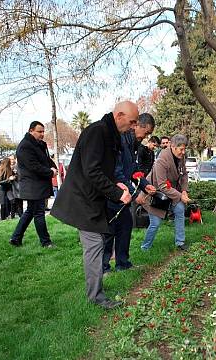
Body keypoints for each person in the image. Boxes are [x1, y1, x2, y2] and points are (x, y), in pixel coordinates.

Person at [50, 101, 138, 309]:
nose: (134, 126)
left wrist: (114, 182)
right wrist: (118, 194)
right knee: (95, 245)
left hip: (92, 199)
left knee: (97, 242)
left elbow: (100, 168)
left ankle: (96, 293)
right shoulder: (97, 132)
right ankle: (96, 297)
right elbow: (91, 171)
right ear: (119, 115)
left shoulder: (108, 133)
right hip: (82, 200)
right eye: (132, 121)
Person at [103, 113, 157, 275]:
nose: (146, 137)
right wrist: (135, 194)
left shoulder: (133, 143)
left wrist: (146, 186)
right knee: (109, 231)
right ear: (137, 125)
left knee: (125, 226)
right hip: (113, 192)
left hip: (124, 194)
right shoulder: (120, 140)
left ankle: (122, 263)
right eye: (146, 133)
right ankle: (104, 267)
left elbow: (133, 170)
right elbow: (118, 173)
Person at [9, 121, 58, 248]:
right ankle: (45, 242)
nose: (42, 134)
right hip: (33, 185)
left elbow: (46, 159)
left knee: (30, 212)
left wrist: (54, 168)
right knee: (39, 213)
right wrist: (50, 172)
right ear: (31, 130)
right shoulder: (25, 146)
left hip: (37, 184)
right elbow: (33, 166)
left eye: (43, 131)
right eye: (39, 131)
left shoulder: (39, 144)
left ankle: (16, 237)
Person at [140, 134, 190, 251]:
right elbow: (162, 186)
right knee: (155, 223)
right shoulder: (162, 160)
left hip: (171, 192)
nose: (183, 152)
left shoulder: (180, 157)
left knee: (180, 209)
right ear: (173, 146)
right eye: (181, 149)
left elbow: (184, 175)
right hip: (154, 194)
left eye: (184, 149)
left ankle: (180, 242)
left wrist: (184, 191)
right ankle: (145, 248)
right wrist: (180, 195)